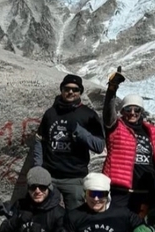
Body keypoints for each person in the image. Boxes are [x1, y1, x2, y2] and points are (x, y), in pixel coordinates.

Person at [34, 74, 105, 210]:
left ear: (80, 92)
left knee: (75, 217)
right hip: (50, 176)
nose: (71, 92)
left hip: (75, 179)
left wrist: (80, 131)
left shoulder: (88, 115)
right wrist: (39, 168)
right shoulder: (50, 113)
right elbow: (39, 140)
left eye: (75, 89)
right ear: (61, 90)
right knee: (47, 215)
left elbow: (99, 146)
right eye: (67, 88)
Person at [102, 67, 155, 216]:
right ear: (122, 111)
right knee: (119, 226)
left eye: (137, 110)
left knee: (142, 231)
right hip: (120, 191)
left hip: (146, 191)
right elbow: (108, 113)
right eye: (128, 109)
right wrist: (112, 89)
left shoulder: (152, 131)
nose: (132, 113)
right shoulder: (116, 127)